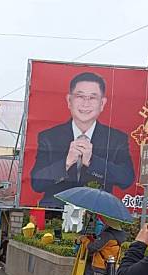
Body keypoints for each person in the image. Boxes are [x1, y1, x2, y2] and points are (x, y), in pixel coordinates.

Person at [30, 72, 135, 207]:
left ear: (102, 103)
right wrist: (66, 163)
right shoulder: (49, 137)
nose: (86, 103)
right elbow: (36, 183)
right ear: (69, 100)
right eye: (80, 96)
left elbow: (126, 179)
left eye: (92, 97)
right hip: (56, 213)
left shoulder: (116, 139)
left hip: (97, 213)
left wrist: (92, 162)